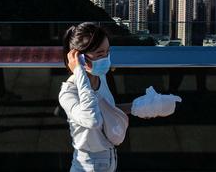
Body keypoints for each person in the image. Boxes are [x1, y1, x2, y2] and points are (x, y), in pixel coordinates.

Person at [59, 22, 181, 172]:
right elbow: (92, 119)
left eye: (107, 52)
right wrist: (79, 72)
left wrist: (140, 106)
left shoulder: (100, 76)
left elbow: (105, 110)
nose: (105, 59)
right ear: (80, 58)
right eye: (99, 54)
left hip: (110, 160)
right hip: (87, 166)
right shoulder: (68, 93)